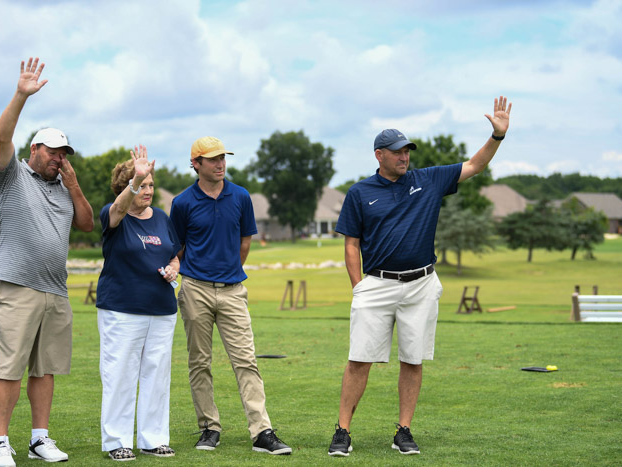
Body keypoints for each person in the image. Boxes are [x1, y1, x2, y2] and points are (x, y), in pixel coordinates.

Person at [328, 97, 512, 457]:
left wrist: (497, 136)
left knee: (412, 359)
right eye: (397, 151)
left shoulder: (428, 180)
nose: (404, 156)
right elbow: (351, 244)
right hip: (376, 285)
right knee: (359, 359)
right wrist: (358, 286)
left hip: (422, 283)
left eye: (407, 150)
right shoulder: (360, 192)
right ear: (379, 155)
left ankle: (404, 430)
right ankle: (342, 431)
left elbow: (475, 164)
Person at [0, 57, 94, 467]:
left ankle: (39, 438)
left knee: (45, 369)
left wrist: (74, 185)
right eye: (53, 151)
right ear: (35, 149)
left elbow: (86, 225)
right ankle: (0, 442)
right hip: (16, 284)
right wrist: (21, 94)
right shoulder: (12, 176)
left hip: (54, 289)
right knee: (10, 367)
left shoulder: (66, 187)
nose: (59, 158)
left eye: (64, 153)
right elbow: (0, 138)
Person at [169, 136, 292, 455]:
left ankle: (261, 430)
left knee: (246, 360)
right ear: (196, 163)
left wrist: (227, 273)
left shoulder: (240, 196)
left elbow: (245, 242)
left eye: (223, 157)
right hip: (194, 289)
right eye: (212, 159)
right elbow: (177, 248)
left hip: (233, 290)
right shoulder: (182, 202)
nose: (220, 163)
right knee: (199, 362)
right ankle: (209, 428)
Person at [95, 146, 180, 461]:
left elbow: (173, 251)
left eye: (150, 184)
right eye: (141, 185)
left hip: (161, 310)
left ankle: (153, 438)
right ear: (125, 187)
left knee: (157, 375)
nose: (148, 190)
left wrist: (175, 266)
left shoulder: (160, 217)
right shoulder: (113, 215)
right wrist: (136, 177)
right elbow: (119, 209)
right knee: (120, 374)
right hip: (121, 310)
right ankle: (116, 441)